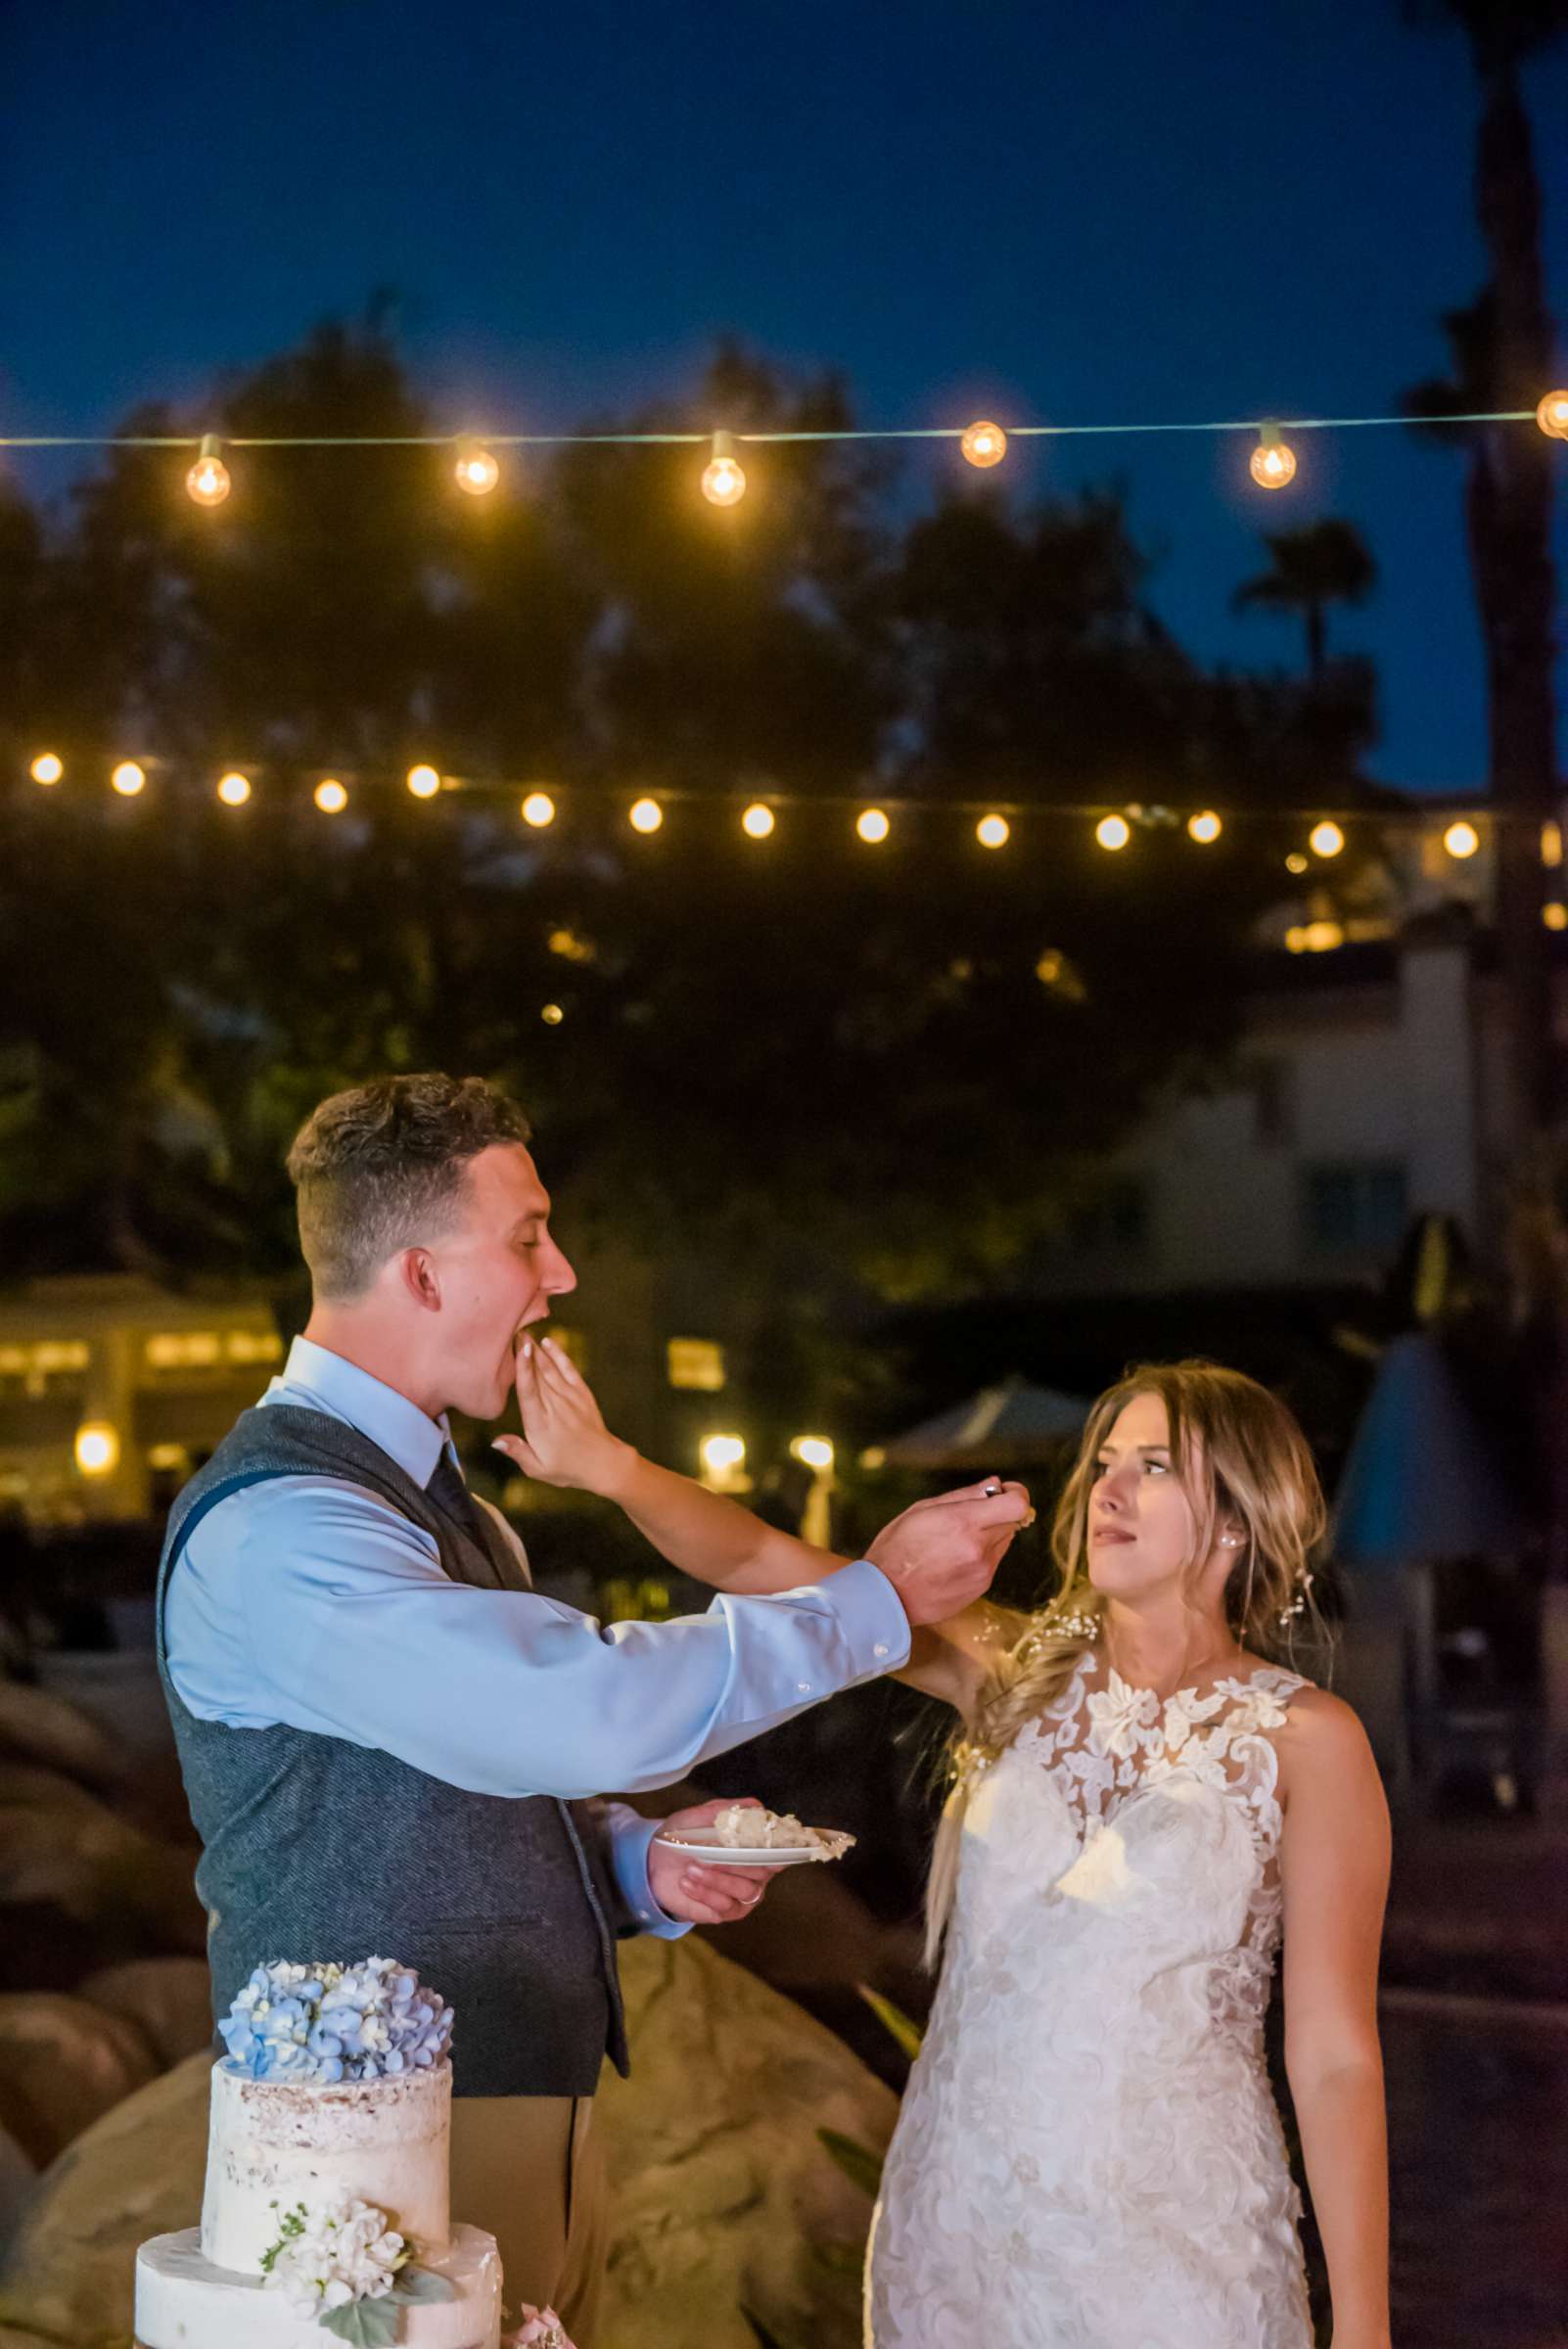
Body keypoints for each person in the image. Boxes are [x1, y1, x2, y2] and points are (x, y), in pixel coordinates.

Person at [157, 1073, 1028, 2345]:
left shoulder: (447, 1507)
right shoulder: (287, 1527)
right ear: (419, 1275)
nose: (559, 1276)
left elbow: (481, 1773)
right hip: (385, 2173)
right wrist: (873, 1601)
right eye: (527, 1239)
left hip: (517, 2121)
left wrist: (630, 1862)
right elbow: (582, 1708)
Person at [864, 1360, 1392, 2349]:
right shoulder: (1012, 1674)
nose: (1106, 1488)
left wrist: (1364, 2325)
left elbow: (1331, 2056)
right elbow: (785, 1580)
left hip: (1174, 2253)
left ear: (1237, 1518)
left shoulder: (1309, 1740)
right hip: (954, 2242)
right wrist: (618, 1469)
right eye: (1104, 1463)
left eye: (1153, 1465)